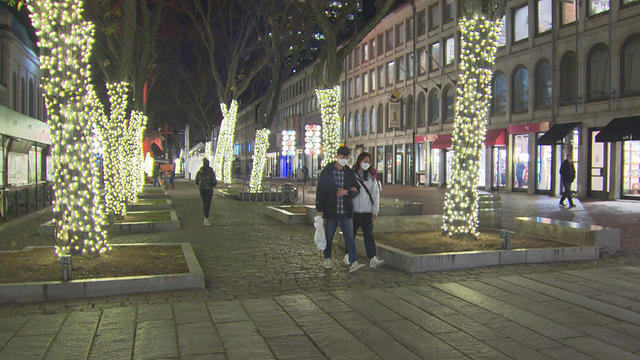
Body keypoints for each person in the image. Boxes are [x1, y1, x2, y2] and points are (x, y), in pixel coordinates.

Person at [316, 146, 365, 273]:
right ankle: (327, 258)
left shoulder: (348, 172)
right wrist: (320, 209)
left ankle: (353, 260)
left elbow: (356, 189)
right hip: (331, 210)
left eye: (346, 157)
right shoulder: (327, 171)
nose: (344, 159)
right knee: (329, 236)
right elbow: (321, 191)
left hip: (345, 210)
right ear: (337, 156)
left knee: (349, 237)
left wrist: (346, 192)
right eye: (342, 156)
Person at [349, 152, 384, 268]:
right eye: (364, 161)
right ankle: (348, 256)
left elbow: (375, 195)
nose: (366, 164)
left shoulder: (371, 177)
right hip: (354, 211)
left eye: (368, 162)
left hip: (367, 211)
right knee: (350, 235)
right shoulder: (352, 175)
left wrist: (375, 210)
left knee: (368, 235)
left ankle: (372, 258)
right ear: (359, 161)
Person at [195, 158, 218, 226]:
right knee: (207, 203)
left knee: (204, 202)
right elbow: (214, 181)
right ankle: (206, 218)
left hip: (202, 189)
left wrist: (200, 184)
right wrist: (213, 185)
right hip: (209, 189)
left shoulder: (200, 171)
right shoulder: (211, 171)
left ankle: (205, 216)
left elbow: (196, 181)